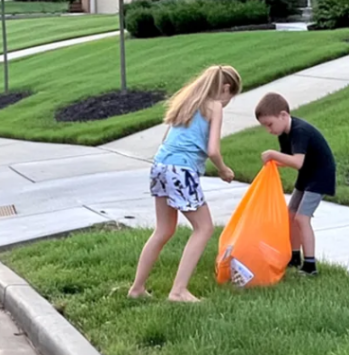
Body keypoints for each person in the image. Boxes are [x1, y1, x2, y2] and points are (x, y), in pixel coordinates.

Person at [128, 65, 243, 302]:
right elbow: (212, 149)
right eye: (231, 97)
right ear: (226, 88)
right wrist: (223, 169)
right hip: (182, 171)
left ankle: (137, 288)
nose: (228, 102)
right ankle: (178, 291)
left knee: (163, 229)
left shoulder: (188, 101)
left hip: (160, 166)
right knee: (204, 228)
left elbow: (166, 138)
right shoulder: (215, 106)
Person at [254, 92, 336, 276]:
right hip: (307, 174)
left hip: (320, 175)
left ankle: (310, 265)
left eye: (269, 124)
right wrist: (273, 164)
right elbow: (289, 159)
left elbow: (297, 161)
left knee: (302, 218)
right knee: (290, 215)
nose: (269, 130)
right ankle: (294, 257)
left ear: (283, 115)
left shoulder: (300, 131)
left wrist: (273, 155)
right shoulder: (284, 133)